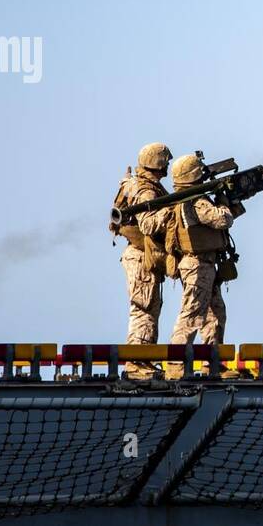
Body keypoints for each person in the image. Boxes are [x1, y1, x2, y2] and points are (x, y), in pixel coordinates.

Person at [164, 153, 241, 372]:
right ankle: (175, 365)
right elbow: (222, 219)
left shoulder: (188, 198)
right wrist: (226, 203)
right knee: (191, 314)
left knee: (215, 313)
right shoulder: (195, 200)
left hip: (204, 264)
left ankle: (213, 363)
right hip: (197, 265)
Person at [111, 143, 172, 378]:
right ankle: (136, 363)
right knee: (144, 308)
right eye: (164, 162)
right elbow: (148, 224)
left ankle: (143, 360)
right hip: (140, 257)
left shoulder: (140, 184)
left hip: (141, 256)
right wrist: (172, 212)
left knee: (149, 307)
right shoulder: (146, 191)